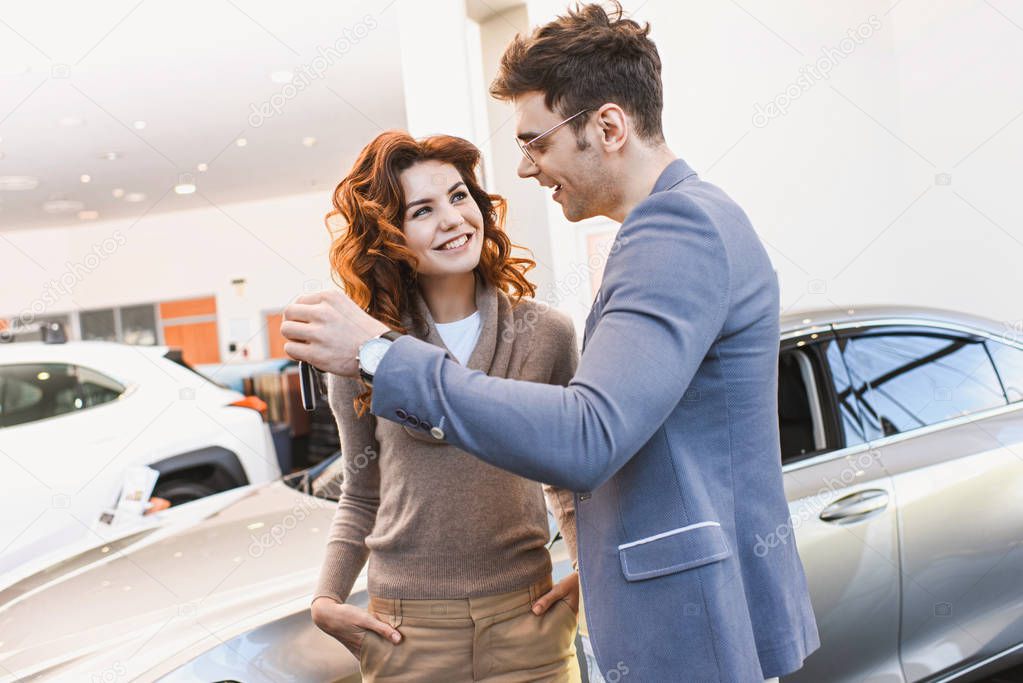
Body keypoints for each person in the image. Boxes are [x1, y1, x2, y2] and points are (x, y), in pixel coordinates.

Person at [283, 3, 820, 681]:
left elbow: (587, 435)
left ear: (607, 126)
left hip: (686, 617)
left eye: (536, 141)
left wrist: (378, 353)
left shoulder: (673, 232)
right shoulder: (682, 223)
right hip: (659, 611)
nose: (528, 168)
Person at [307, 131, 583, 682]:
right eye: (423, 211)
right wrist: (327, 597)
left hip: (528, 624)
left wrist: (586, 564)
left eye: (459, 197)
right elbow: (363, 490)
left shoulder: (546, 334)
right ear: (390, 236)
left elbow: (572, 472)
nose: (453, 219)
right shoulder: (361, 350)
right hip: (406, 634)